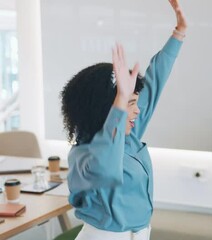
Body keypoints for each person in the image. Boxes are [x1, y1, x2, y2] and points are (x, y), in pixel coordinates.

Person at [59, 0, 186, 239]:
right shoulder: (83, 155)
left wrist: (178, 33)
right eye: (130, 103)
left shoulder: (130, 135)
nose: (137, 111)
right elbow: (107, 168)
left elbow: (155, 80)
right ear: (105, 107)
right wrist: (121, 101)